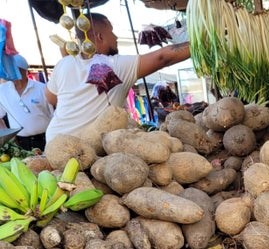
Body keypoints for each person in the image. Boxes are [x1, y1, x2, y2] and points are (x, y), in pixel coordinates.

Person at [44, 12, 190, 143]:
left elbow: (50, 98)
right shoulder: (114, 65)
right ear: (100, 37)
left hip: (54, 142)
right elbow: (162, 58)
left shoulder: (64, 63)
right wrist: (199, 43)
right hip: (82, 147)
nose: (116, 37)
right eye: (112, 32)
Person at [0, 54, 54, 151]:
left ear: (23, 70)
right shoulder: (2, 91)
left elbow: (54, 115)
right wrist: (9, 137)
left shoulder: (41, 88)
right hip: (19, 143)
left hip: (45, 139)